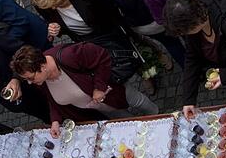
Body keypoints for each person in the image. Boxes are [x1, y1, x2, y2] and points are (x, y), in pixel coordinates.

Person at [10, 43, 158, 128]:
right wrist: (55, 120)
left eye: (30, 78)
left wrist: (99, 87)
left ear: (42, 67)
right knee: (126, 122)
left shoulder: (69, 56)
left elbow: (102, 56)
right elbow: (52, 100)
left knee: (139, 102)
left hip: (113, 92)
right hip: (99, 107)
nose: (29, 82)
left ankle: (159, 118)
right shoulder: (41, 80)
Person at [30, 0, 123, 42]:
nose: (53, 8)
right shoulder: (42, 4)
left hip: (106, 31)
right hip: (83, 39)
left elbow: (109, 10)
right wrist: (53, 27)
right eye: (50, 6)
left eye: (58, 3)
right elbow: (51, 21)